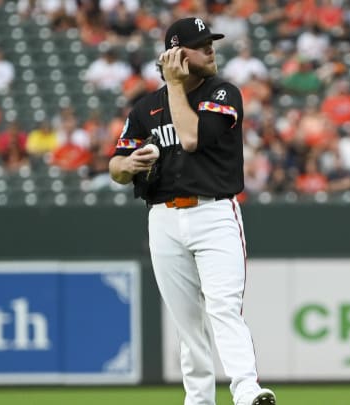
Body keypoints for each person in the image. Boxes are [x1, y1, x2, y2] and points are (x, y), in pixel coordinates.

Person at [108, 17, 276, 405]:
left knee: (223, 307)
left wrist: (174, 86)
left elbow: (190, 137)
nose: (210, 49)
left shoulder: (223, 92)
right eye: (201, 45)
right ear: (175, 54)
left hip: (213, 213)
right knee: (187, 322)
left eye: (210, 42)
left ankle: (247, 390)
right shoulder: (145, 108)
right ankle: (198, 399)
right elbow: (115, 167)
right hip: (163, 216)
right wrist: (129, 164)